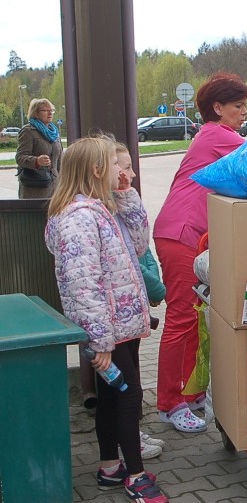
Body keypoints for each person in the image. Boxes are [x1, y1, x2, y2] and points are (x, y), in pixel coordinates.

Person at [45, 137, 168, 502]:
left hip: (121, 326)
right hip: (109, 331)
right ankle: (135, 474)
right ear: (98, 170)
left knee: (114, 397)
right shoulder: (79, 219)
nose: (124, 171)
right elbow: (83, 286)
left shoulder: (102, 208)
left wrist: (128, 197)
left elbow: (138, 242)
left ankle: (110, 466)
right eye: (118, 166)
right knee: (129, 395)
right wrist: (98, 341)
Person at [153, 72, 247, 433]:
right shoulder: (217, 135)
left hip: (188, 234)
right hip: (181, 234)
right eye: (238, 107)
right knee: (181, 318)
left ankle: (189, 391)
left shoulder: (214, 136)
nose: (244, 113)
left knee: (195, 316)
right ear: (218, 108)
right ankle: (168, 402)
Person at [115, 142, 167, 460]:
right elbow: (130, 259)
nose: (130, 175)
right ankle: (126, 452)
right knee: (126, 389)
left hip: (132, 313)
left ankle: (128, 439)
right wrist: (159, 290)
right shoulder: (101, 213)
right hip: (116, 319)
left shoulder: (122, 204)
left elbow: (141, 245)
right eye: (123, 167)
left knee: (130, 383)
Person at [15, 98, 63, 198]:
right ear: (36, 113)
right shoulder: (28, 131)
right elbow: (20, 157)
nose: (50, 113)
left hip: (55, 187)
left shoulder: (54, 133)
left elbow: (59, 160)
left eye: (52, 110)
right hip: (35, 187)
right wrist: (36, 161)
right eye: (45, 110)